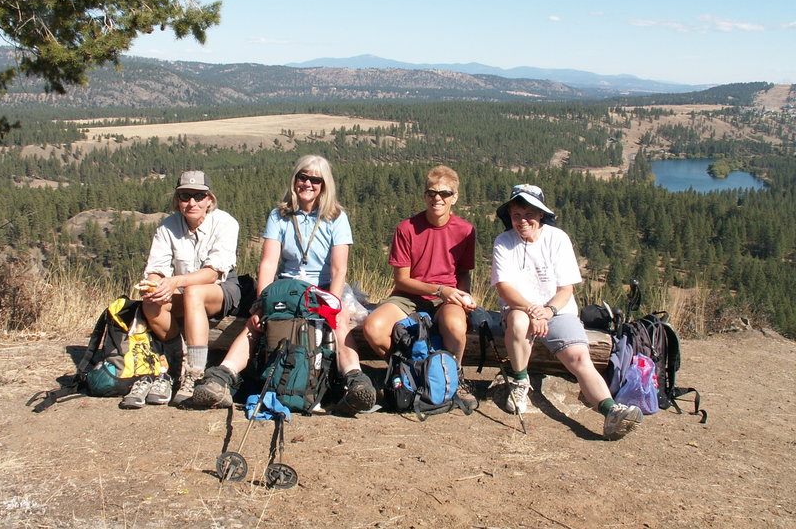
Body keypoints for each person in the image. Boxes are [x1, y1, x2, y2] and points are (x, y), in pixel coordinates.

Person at [192, 155, 376, 415]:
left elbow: (338, 269)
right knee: (255, 323)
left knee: (339, 321)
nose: (308, 184)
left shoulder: (336, 217)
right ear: (295, 180)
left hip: (323, 287)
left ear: (324, 185)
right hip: (287, 287)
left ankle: (355, 380)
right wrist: (262, 304)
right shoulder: (279, 216)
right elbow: (268, 264)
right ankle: (223, 377)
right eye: (303, 177)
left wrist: (332, 304)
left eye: (315, 179)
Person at [491, 184, 643, 440]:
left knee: (580, 358)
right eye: (516, 215)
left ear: (541, 214)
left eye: (529, 214)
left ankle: (610, 411)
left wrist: (547, 311)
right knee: (518, 320)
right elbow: (505, 289)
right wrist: (531, 310)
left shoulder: (557, 238)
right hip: (520, 310)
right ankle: (519, 381)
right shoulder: (504, 242)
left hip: (557, 312)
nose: (522, 221)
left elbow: (565, 289)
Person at [362, 165, 479, 410]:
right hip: (409, 296)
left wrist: (462, 297)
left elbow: (463, 273)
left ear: (455, 197)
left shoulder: (465, 231)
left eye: (445, 193)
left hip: (446, 298)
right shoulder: (407, 228)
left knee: (456, 326)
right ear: (425, 195)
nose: (437, 198)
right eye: (431, 193)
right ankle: (409, 373)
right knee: (373, 328)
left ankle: (453, 377)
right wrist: (440, 290)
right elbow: (402, 280)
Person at [129, 170, 240, 408]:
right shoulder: (167, 226)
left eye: (199, 196)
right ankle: (176, 359)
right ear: (177, 200)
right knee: (150, 303)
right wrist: (154, 284)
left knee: (194, 292)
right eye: (185, 196)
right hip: (182, 291)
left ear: (209, 199)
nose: (192, 203)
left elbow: (212, 273)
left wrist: (173, 283)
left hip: (220, 289)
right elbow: (157, 267)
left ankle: (195, 374)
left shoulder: (226, 223)